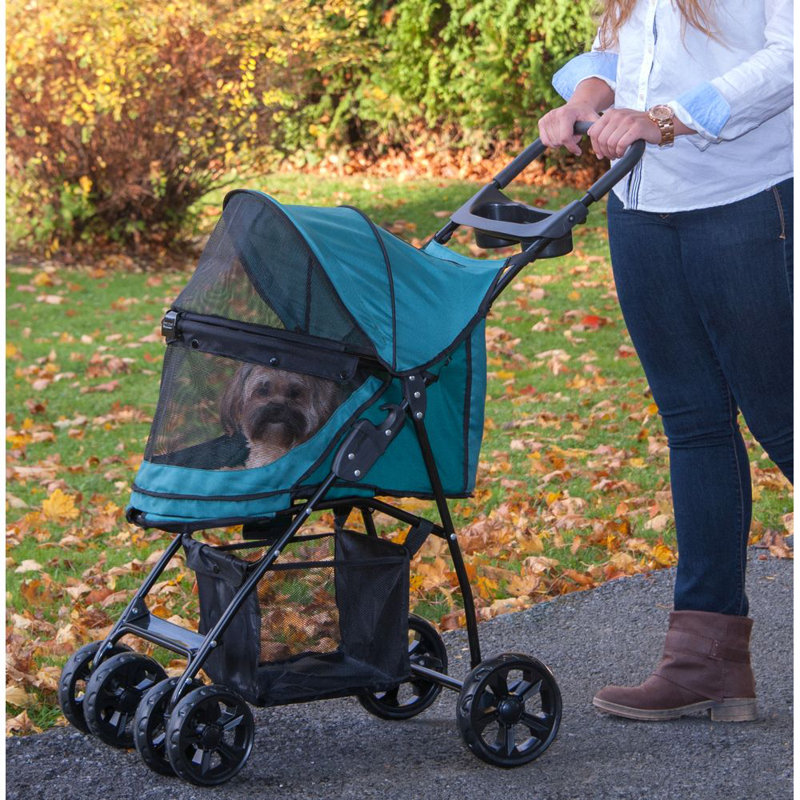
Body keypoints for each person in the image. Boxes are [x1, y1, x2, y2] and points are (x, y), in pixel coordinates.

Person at [538, 0, 793, 722]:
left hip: (745, 202)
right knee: (695, 424)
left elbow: (791, 54)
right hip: (641, 204)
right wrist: (586, 101)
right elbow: (621, 48)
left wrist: (674, 117)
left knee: (784, 418)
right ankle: (704, 663)